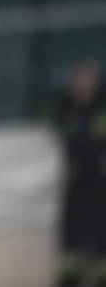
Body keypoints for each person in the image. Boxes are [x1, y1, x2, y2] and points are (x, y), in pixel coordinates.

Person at [52, 60, 106, 287]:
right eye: (79, 84)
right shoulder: (67, 112)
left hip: (101, 185)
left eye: (88, 84)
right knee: (71, 236)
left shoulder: (101, 111)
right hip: (76, 185)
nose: (84, 89)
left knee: (101, 233)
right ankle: (70, 278)